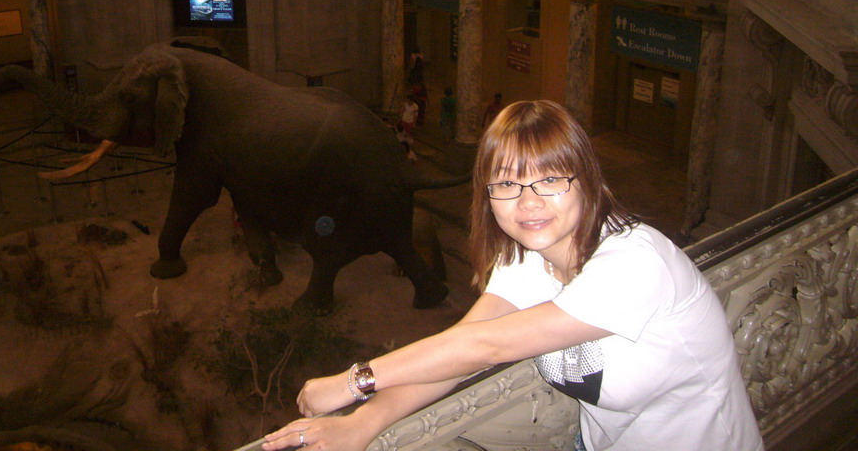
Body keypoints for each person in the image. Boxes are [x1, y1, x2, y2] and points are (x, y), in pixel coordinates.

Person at [262, 100, 763, 451]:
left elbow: (488, 349)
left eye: (549, 179)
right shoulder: (528, 257)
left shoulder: (636, 265)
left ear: (586, 180)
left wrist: (355, 382)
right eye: (505, 183)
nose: (528, 202)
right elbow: (462, 347)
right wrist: (363, 425)